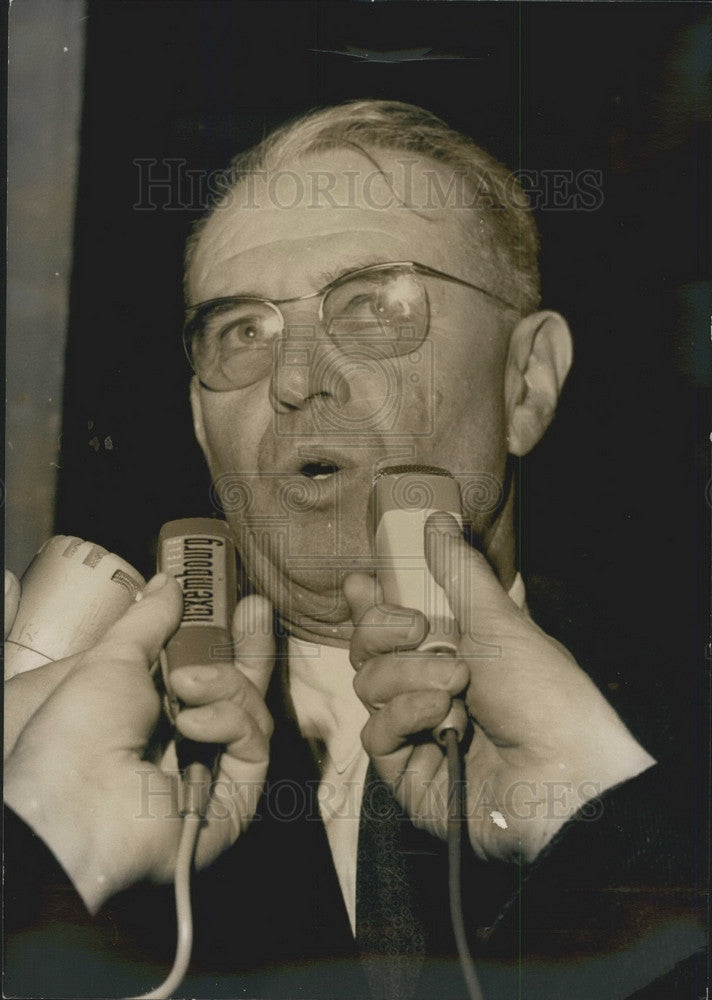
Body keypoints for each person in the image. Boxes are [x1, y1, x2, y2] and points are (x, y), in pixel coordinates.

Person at [4, 100, 705, 999]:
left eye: (375, 307)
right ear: (199, 423)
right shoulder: (82, 768)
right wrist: (41, 849)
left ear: (526, 382)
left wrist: (593, 815)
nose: (294, 379)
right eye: (242, 332)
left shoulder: (679, 761)